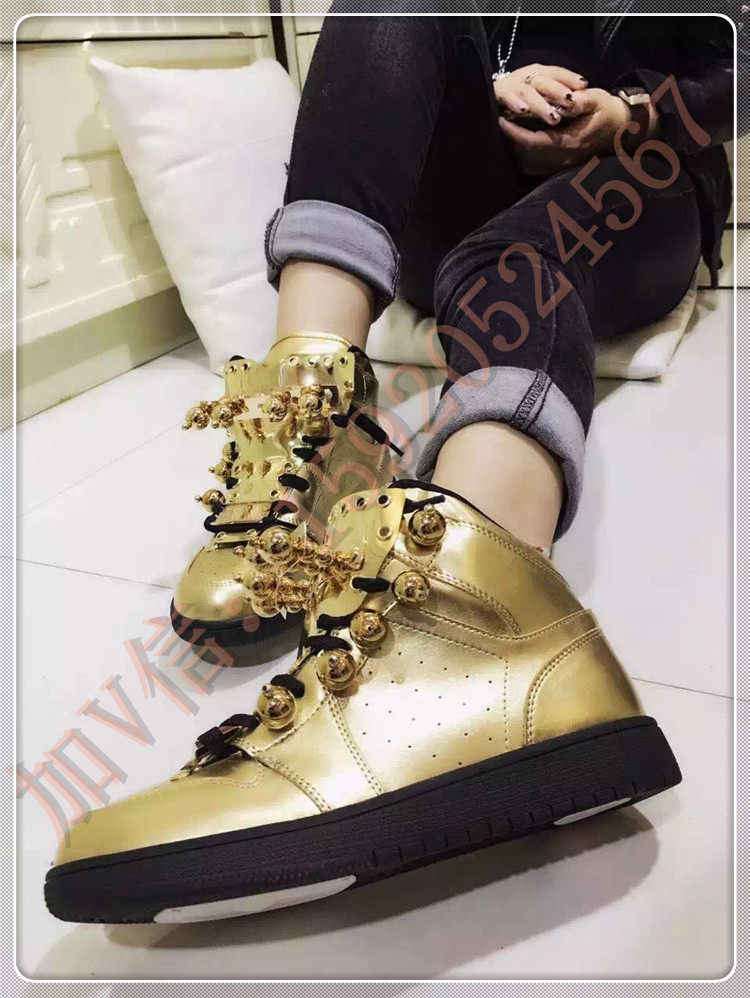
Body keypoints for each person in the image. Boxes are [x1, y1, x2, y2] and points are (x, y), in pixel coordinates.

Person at [45, 12, 731, 925]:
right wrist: (490, 88)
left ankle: (470, 615)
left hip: (636, 181)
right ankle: (304, 421)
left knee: (512, 264)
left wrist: (631, 111)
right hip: (468, 179)